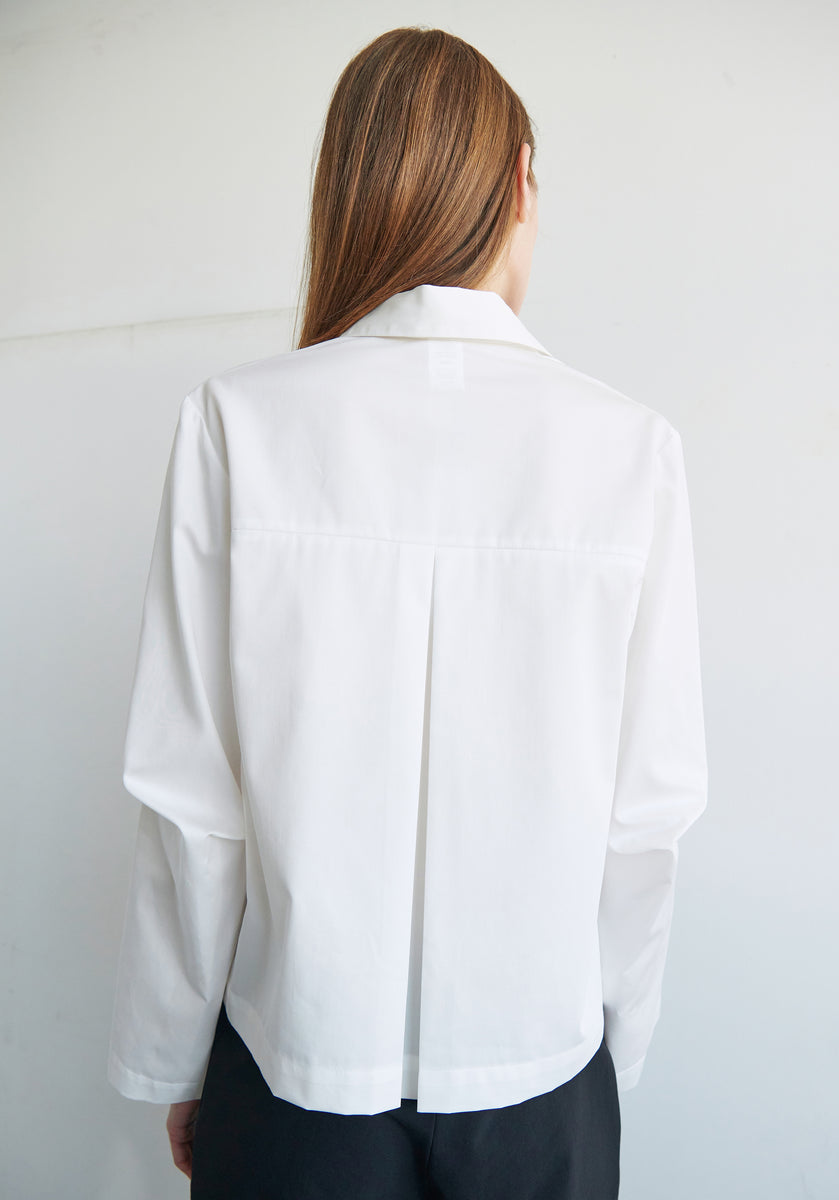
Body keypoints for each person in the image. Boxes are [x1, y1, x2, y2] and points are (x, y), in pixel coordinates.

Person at [107, 25, 708, 1200]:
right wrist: (601, 1057)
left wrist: (178, 1055)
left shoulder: (238, 424)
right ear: (522, 180)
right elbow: (646, 819)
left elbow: (192, 803)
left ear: (348, 192)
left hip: (292, 1085)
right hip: (542, 1082)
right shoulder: (631, 449)